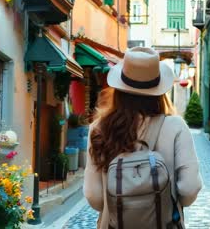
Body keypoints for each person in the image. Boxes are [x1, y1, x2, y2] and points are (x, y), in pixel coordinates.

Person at [83, 47, 202, 229]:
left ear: (119, 89)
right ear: (159, 91)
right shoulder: (177, 127)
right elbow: (189, 188)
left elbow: (94, 197)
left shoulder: (99, 128)